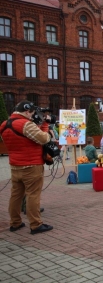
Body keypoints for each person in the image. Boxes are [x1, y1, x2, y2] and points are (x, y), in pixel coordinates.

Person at [0, 100, 53, 234]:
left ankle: (15, 222)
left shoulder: (4, 125)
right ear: (27, 111)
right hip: (31, 165)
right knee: (33, 195)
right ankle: (36, 224)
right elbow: (44, 139)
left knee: (16, 195)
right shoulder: (25, 125)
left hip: (15, 165)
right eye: (32, 114)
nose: (32, 116)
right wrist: (46, 126)